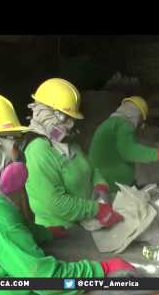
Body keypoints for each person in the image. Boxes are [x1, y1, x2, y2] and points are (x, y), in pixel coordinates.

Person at [0, 91, 135, 295]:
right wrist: (102, 269)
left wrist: (44, 233)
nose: (17, 156)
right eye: (15, 146)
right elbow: (44, 280)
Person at [23, 79, 124, 238]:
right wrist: (96, 209)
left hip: (85, 224)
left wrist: (100, 186)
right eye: (64, 118)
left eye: (71, 119)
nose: (69, 125)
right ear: (45, 113)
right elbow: (55, 202)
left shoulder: (69, 143)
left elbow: (92, 168)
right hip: (60, 234)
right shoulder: (37, 150)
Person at [89, 96, 159, 192]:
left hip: (102, 178)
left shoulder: (110, 123)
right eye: (141, 121)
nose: (141, 126)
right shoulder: (124, 125)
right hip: (112, 183)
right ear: (137, 116)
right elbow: (129, 152)